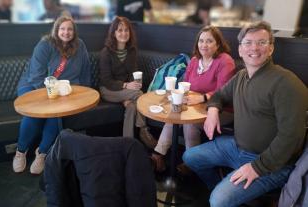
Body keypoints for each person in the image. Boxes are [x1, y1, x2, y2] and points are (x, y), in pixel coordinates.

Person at [183, 21, 308, 207]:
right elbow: (218, 95)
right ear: (240, 50)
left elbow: (292, 137)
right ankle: (229, 191)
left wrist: (258, 167)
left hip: (271, 163)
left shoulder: (286, 83)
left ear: (271, 48)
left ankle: (228, 194)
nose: (254, 48)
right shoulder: (241, 76)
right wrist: (213, 110)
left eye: (262, 42)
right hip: (236, 147)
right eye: (248, 43)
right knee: (190, 157)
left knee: (218, 201)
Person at [12, 15, 91, 175]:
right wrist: (50, 97)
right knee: (34, 114)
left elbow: (85, 71)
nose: (66, 32)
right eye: (62, 28)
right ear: (56, 30)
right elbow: (35, 75)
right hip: (33, 86)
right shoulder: (45, 45)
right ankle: (20, 151)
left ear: (74, 32)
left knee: (56, 115)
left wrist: (84, 92)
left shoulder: (80, 45)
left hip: (63, 90)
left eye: (69, 29)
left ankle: (42, 153)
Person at [151, 25, 236, 172]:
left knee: (190, 123)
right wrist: (179, 97)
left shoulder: (224, 61)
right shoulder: (195, 61)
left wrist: (202, 98)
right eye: (201, 41)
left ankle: (193, 162)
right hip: (196, 106)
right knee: (174, 114)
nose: (204, 45)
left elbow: (224, 91)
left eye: (209, 41)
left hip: (222, 109)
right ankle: (158, 155)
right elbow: (187, 84)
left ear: (218, 44)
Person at [99, 16, 156, 148]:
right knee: (139, 94)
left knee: (131, 106)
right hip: (108, 90)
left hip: (125, 92)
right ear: (113, 33)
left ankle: (127, 144)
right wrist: (126, 86)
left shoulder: (132, 51)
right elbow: (106, 81)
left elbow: (132, 73)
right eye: (120, 30)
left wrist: (134, 83)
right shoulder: (106, 53)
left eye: (126, 30)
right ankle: (143, 129)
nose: (124, 33)